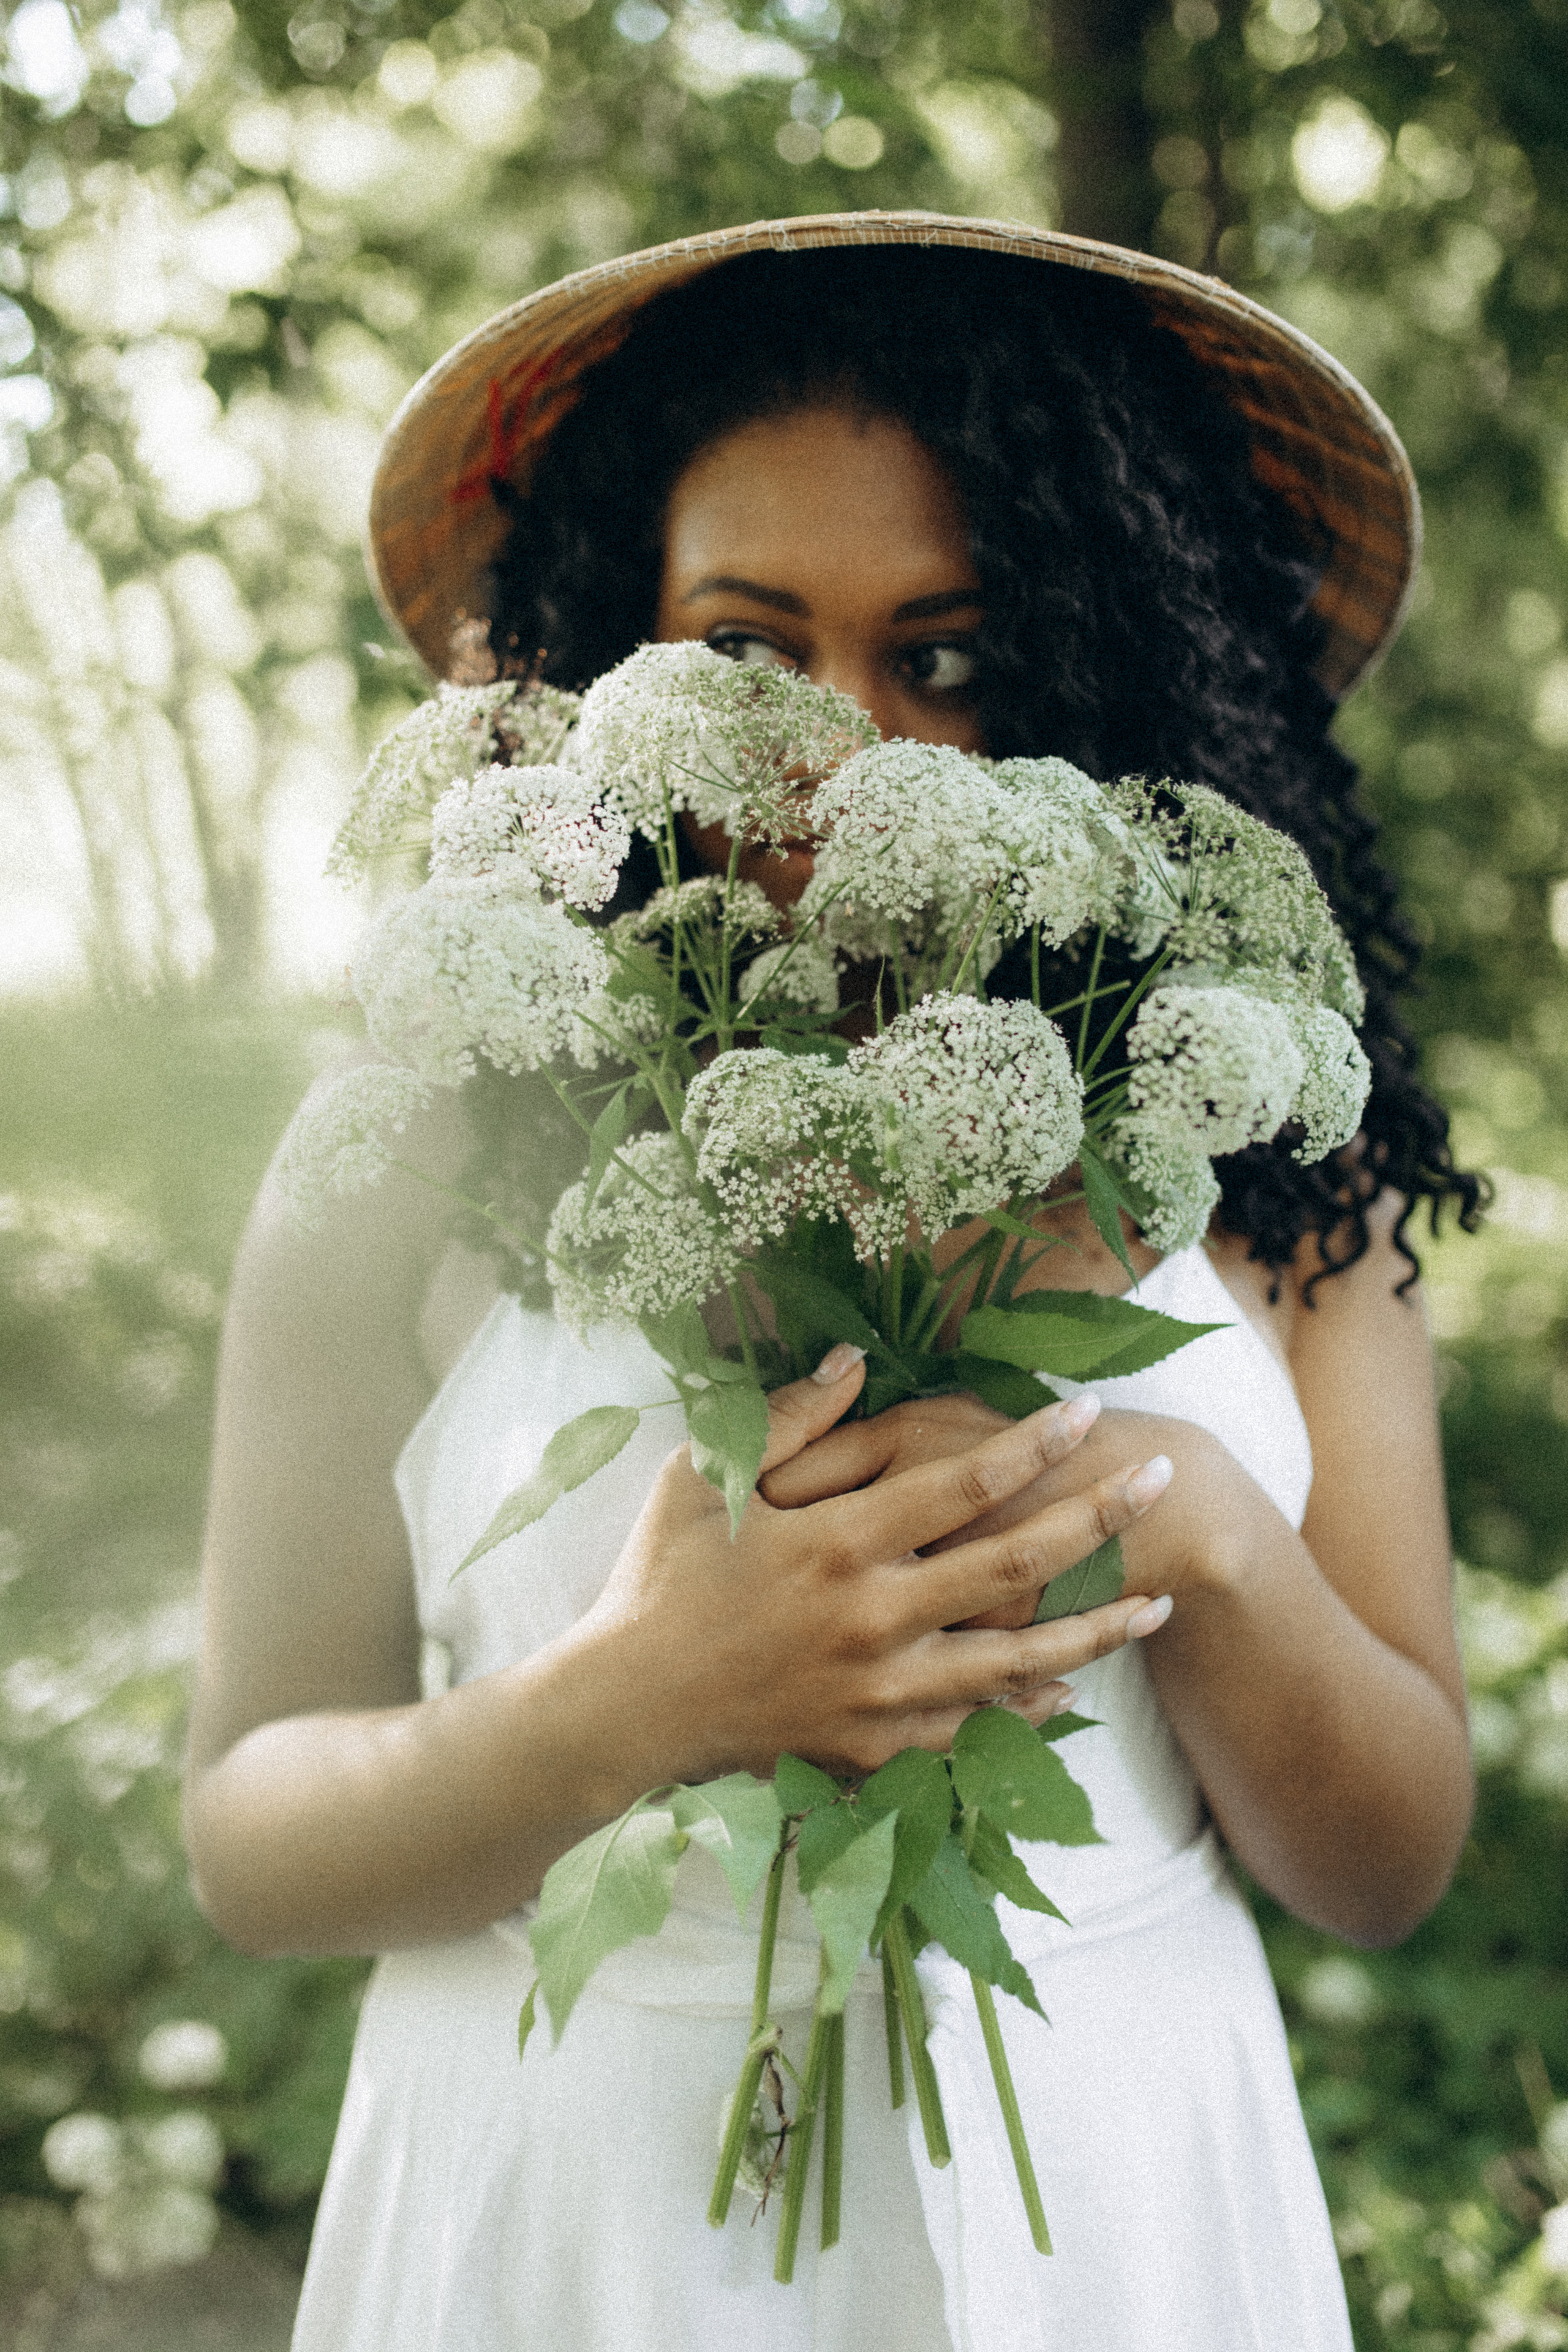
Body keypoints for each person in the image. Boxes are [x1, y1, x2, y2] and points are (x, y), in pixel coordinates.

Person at [184, 216, 1481, 2351]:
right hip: (571, 2228)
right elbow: (252, 1840)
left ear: (1100, 674)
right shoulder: (418, 1146)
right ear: (620, 655)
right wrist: (629, 1704)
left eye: (948, 660)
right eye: (752, 648)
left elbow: (1390, 1861)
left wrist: (1196, 1535)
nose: (848, 754)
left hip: (1119, 2228)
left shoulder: (1263, 1157)